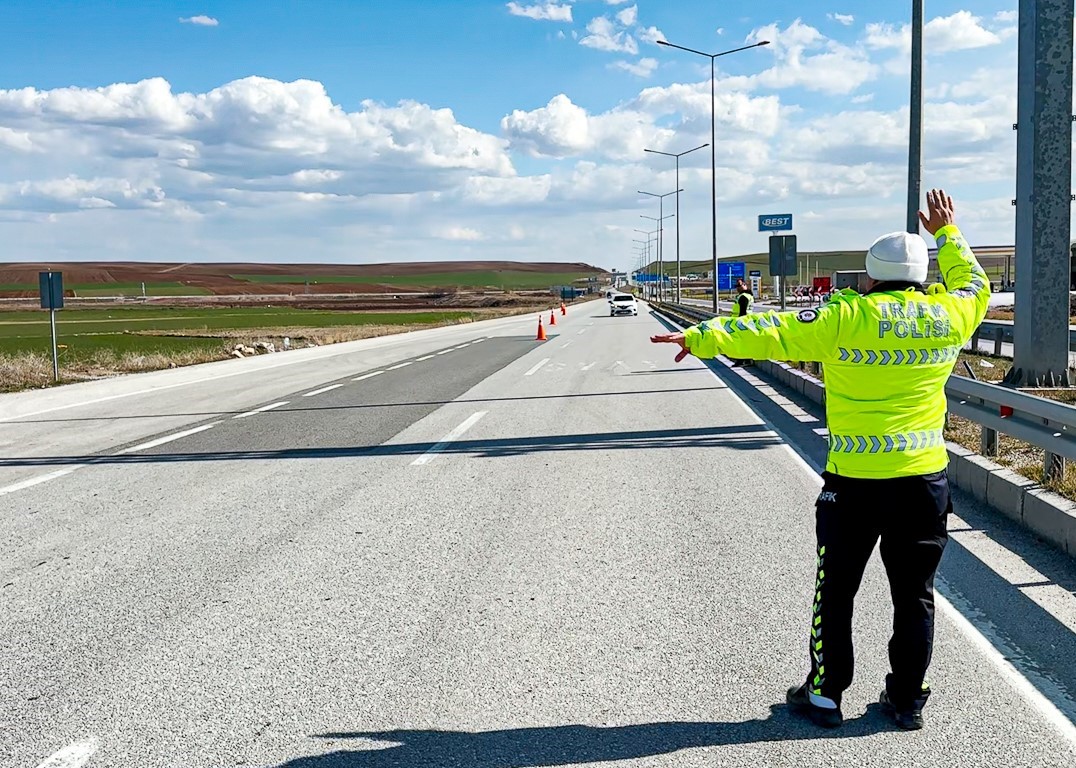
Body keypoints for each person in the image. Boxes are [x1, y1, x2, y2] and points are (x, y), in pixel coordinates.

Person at [651, 190, 990, 731]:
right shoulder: (950, 313)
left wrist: (702, 336)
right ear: (923, 277)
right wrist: (947, 233)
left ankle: (827, 695)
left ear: (870, 276)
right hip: (923, 483)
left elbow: (771, 331)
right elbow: (976, 283)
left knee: (836, 592)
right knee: (915, 595)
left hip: (854, 484)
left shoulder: (844, 315)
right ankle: (906, 700)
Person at [728, 278, 755, 366]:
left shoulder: (744, 297)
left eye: (739, 286)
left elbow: (742, 311)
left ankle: (740, 360)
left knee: (740, 342)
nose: (738, 288)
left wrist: (739, 323)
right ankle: (747, 360)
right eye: (737, 286)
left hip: (742, 322)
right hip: (747, 321)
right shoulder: (748, 295)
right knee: (745, 342)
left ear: (744, 285)